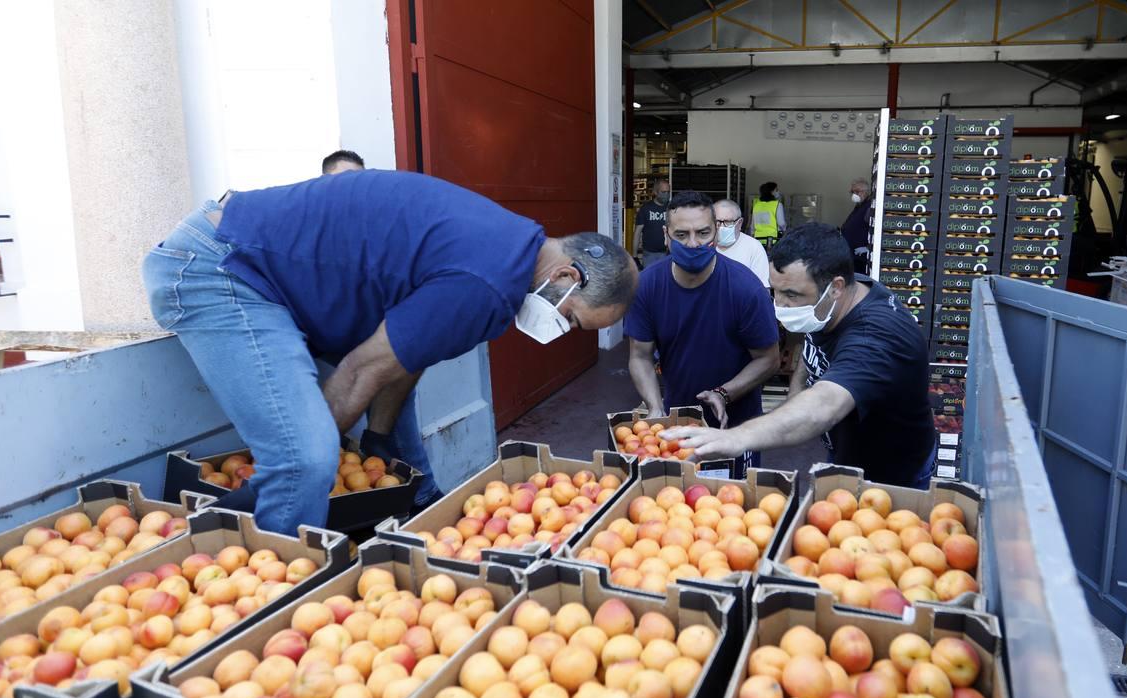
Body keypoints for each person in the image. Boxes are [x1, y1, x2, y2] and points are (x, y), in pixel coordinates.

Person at [143, 170, 636, 536]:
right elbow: (362, 370)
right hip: (221, 267)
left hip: (261, 268)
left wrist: (378, 439)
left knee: (387, 438)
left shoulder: (513, 246)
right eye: (573, 319)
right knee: (306, 460)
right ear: (568, 277)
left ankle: (406, 505)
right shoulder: (487, 285)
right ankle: (264, 585)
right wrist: (308, 464)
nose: (565, 330)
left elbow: (407, 352)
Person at [664, 223, 936, 486]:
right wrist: (796, 394)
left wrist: (736, 438)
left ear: (836, 287)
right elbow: (812, 352)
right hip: (847, 456)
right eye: (775, 290)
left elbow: (824, 405)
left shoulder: (876, 336)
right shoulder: (832, 304)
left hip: (892, 478)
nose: (780, 304)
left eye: (791, 294)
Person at [626, 190, 780, 473]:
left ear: (716, 235)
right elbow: (640, 355)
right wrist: (656, 409)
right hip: (677, 423)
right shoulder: (646, 286)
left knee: (732, 508)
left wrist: (724, 393)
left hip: (735, 426)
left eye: (703, 232)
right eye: (682, 235)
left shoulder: (746, 289)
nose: (694, 243)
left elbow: (768, 359)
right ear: (665, 235)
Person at [714, 198, 771, 286]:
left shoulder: (754, 248)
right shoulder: (703, 245)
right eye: (717, 222)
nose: (721, 227)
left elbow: (763, 290)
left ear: (739, 223)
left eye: (728, 222)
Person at [633, 177, 671, 269]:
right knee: (650, 282)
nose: (666, 195)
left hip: (669, 254)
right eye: (663, 192)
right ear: (656, 192)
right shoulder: (645, 209)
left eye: (668, 192)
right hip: (650, 255)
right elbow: (637, 233)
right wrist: (634, 256)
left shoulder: (672, 208)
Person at [840, 176, 873, 274]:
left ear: (866, 191)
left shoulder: (870, 207)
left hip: (861, 258)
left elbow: (876, 230)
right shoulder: (859, 206)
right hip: (851, 256)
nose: (854, 195)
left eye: (857, 191)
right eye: (852, 192)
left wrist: (868, 248)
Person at [751, 181, 786, 247]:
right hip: (774, 239)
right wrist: (785, 231)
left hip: (758, 239)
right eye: (776, 190)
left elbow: (752, 226)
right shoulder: (777, 205)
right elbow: (781, 223)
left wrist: (752, 235)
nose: (778, 192)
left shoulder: (756, 205)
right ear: (771, 192)